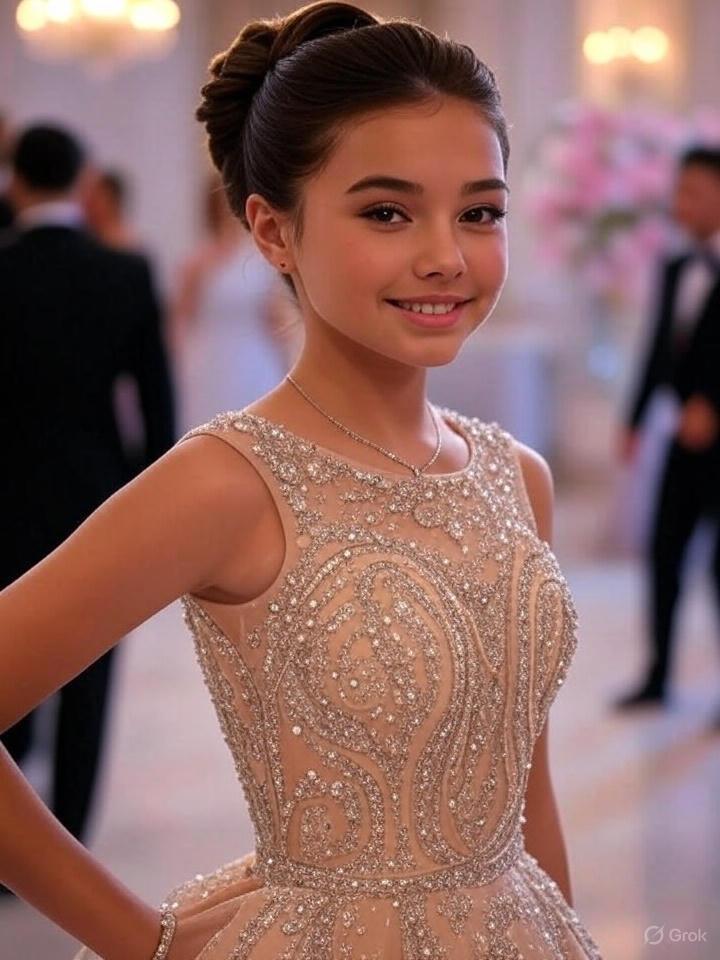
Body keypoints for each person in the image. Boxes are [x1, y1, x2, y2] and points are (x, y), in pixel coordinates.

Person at [0, 4, 602, 958]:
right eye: (387, 212)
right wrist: (144, 942)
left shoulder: (516, 476)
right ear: (274, 233)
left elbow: (521, 787)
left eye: (479, 212)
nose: (446, 254)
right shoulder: (227, 482)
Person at [0, 123, 176, 861]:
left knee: (5, 654)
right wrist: (148, 502)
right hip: (95, 495)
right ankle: (65, 843)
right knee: (89, 674)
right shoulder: (124, 273)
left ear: (15, 181)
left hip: (2, 493)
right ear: (81, 183)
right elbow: (158, 403)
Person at [615, 145, 720, 717]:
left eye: (696, 193)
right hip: (681, 439)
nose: (683, 203)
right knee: (664, 553)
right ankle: (657, 677)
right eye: (680, 191)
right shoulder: (676, 266)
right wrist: (633, 421)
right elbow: (656, 351)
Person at [171, 173, 299, 433]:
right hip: (207, 361)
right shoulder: (196, 262)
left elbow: (274, 318)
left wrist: (289, 365)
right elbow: (181, 319)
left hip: (253, 360)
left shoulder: (258, 260)